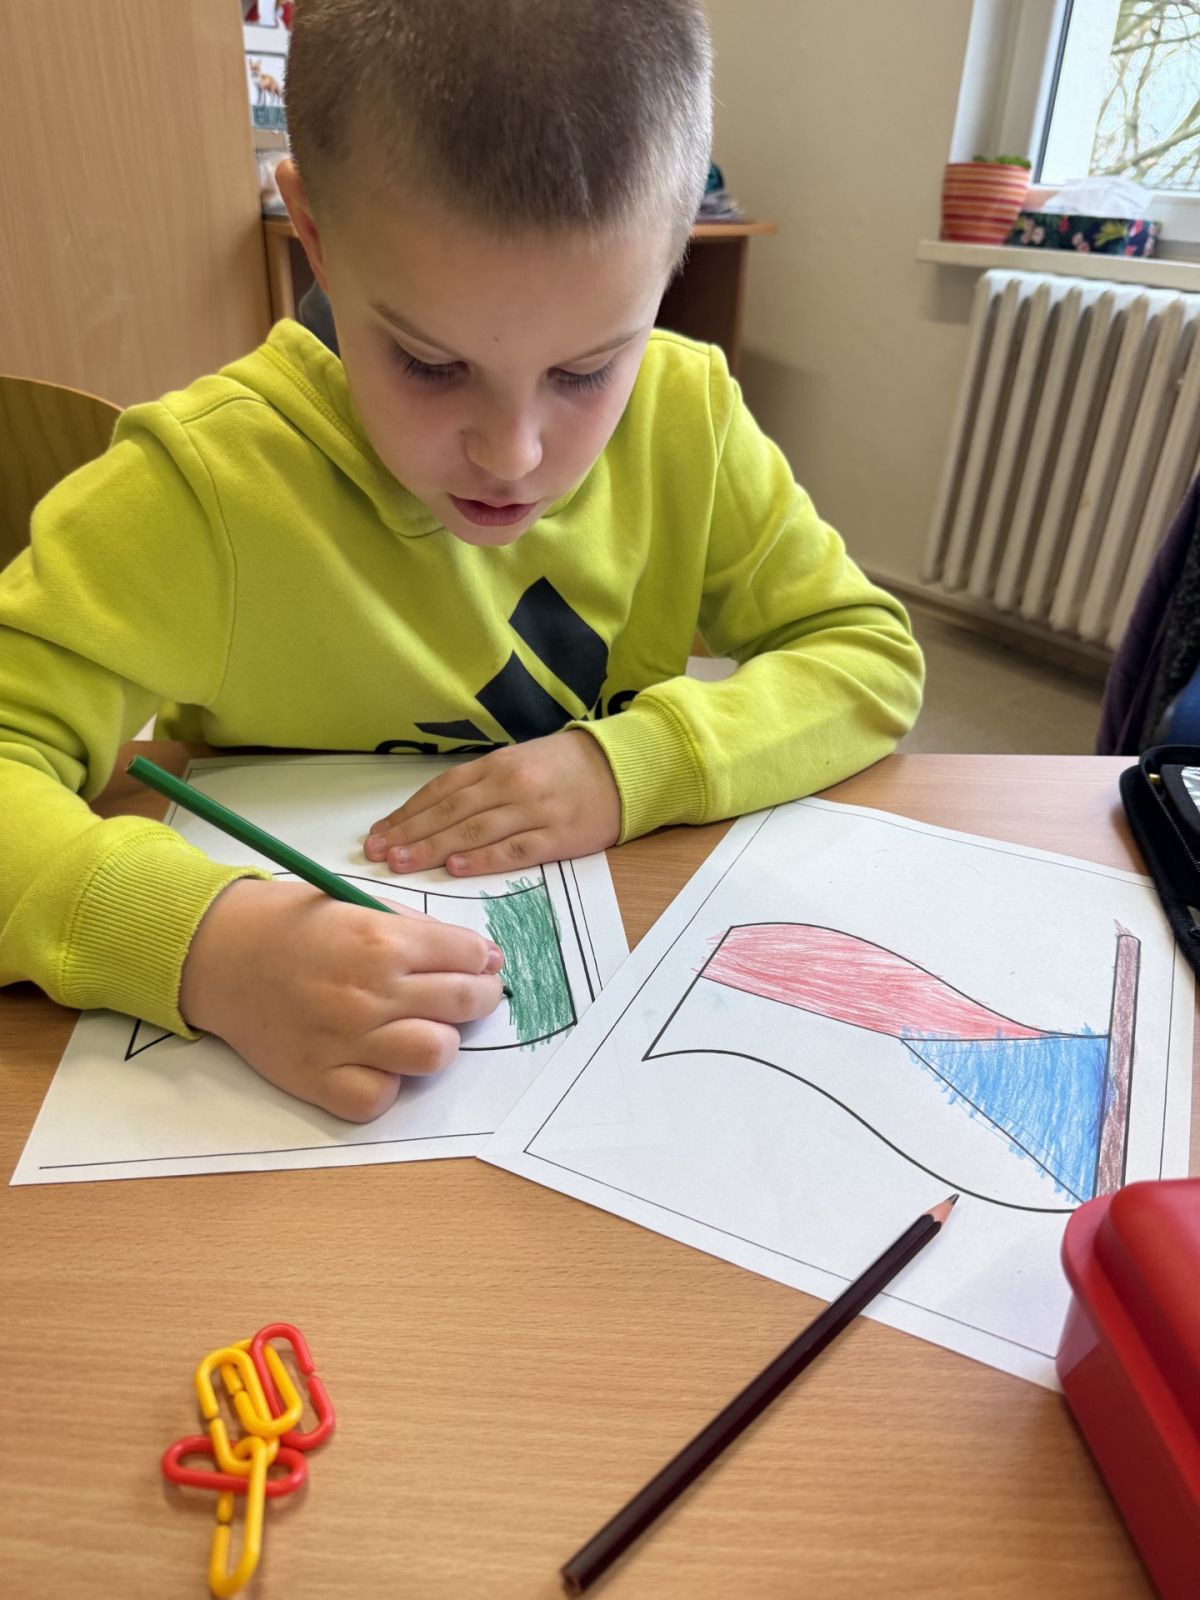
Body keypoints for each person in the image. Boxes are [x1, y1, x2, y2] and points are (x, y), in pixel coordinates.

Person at [0, 0, 923, 1122]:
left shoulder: (689, 418)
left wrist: (639, 765)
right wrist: (205, 944)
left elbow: (866, 656)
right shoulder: (202, 489)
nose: (514, 454)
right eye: (430, 364)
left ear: (672, 259)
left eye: (587, 370)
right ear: (315, 234)